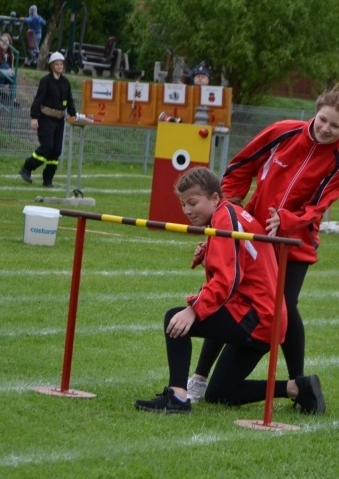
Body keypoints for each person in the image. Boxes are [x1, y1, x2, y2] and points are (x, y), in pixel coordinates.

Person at [186, 84, 339, 403]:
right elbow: (242, 167)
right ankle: (199, 378)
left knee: (284, 306)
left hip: (295, 243)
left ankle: (299, 383)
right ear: (316, 111)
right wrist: (230, 210)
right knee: (228, 294)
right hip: (253, 234)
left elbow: (317, 209)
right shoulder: (282, 132)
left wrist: (286, 220)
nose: (326, 129)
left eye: (335, 126)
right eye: (323, 119)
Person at [133, 167, 326, 415]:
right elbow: (242, 261)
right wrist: (208, 254)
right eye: (183, 204)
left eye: (192, 202)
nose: (187, 211)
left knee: (175, 318)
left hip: (257, 316)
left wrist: (193, 310)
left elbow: (229, 279)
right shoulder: (230, 214)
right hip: (266, 317)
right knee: (220, 394)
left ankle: (177, 398)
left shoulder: (226, 219)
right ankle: (298, 388)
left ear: (215, 198)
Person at [18, 51, 76, 188]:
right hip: (46, 119)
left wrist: (73, 114)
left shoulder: (65, 82)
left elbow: (70, 100)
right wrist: (34, 117)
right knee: (47, 147)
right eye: (57, 64)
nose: (60, 66)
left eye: (61, 64)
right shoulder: (46, 81)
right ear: (51, 66)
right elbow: (38, 99)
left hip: (59, 120)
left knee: (56, 150)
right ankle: (27, 168)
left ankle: (48, 179)